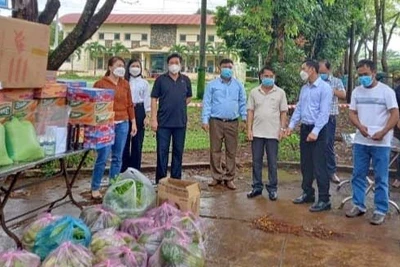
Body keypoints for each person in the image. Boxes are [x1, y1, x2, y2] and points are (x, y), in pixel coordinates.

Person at [346, 59, 399, 225]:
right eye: (360, 75)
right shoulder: (356, 92)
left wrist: (383, 132)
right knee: (358, 174)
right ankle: (358, 204)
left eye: (366, 74)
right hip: (362, 141)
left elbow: (395, 115)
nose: (363, 78)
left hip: (381, 143)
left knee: (381, 177)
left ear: (374, 73)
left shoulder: (386, 92)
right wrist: (360, 127)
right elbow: (352, 113)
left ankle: (380, 209)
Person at [287, 60, 333, 212]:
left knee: (319, 165)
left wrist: (315, 131)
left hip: (319, 131)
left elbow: (324, 113)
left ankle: (324, 199)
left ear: (312, 70)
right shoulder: (304, 88)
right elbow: (299, 109)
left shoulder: (325, 88)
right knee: (306, 164)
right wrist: (291, 126)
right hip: (305, 129)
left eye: (304, 68)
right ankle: (308, 193)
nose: (302, 71)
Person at [91, 56, 137, 199]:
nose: (121, 68)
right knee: (103, 156)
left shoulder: (125, 84)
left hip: (123, 123)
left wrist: (133, 122)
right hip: (106, 124)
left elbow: (130, 104)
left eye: (122, 65)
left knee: (117, 158)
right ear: (110, 67)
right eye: (118, 65)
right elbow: (94, 105)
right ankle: (95, 187)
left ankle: (113, 186)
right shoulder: (100, 84)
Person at [201, 58, 247, 190]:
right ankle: (216, 176)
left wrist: (244, 119)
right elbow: (207, 103)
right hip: (216, 121)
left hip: (232, 122)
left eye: (230, 67)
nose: (228, 69)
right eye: (225, 67)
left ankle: (229, 178)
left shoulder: (238, 85)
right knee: (215, 150)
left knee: (231, 151)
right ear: (219, 68)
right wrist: (205, 120)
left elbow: (242, 102)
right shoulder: (212, 85)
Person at [246, 66, 288, 200]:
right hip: (257, 132)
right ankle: (256, 187)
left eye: (271, 76)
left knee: (272, 162)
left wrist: (282, 129)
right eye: (266, 76)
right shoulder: (254, 92)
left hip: (273, 133)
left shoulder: (280, 93)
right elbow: (250, 112)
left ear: (274, 77)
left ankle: (272, 188)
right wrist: (249, 129)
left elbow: (283, 112)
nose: (268, 78)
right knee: (256, 161)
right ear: (261, 77)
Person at [151, 53, 192, 184]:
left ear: (180, 64)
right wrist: (153, 119)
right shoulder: (160, 80)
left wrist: (177, 105)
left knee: (178, 152)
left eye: (177, 62)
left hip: (180, 123)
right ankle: (161, 181)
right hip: (163, 124)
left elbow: (189, 98)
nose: (174, 65)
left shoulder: (185, 80)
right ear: (168, 65)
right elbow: (153, 99)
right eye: (171, 63)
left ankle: (176, 181)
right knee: (162, 153)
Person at [319, 60, 346, 184]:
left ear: (329, 70)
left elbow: (343, 94)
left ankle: (331, 172)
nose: (321, 74)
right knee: (316, 144)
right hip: (317, 118)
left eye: (323, 72)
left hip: (329, 118)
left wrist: (330, 90)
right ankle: (317, 171)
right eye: (320, 72)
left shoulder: (336, 81)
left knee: (328, 144)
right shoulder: (316, 81)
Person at [122, 58, 151, 172]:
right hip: (125, 111)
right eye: (133, 66)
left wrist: (147, 116)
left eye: (137, 66)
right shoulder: (124, 82)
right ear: (128, 68)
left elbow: (147, 100)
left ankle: (135, 170)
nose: (135, 68)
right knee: (124, 142)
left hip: (139, 111)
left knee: (137, 142)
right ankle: (123, 170)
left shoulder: (144, 83)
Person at [392, 79, 400, 188]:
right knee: (398, 152)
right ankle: (398, 177)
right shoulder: (397, 90)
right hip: (398, 125)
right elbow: (395, 107)